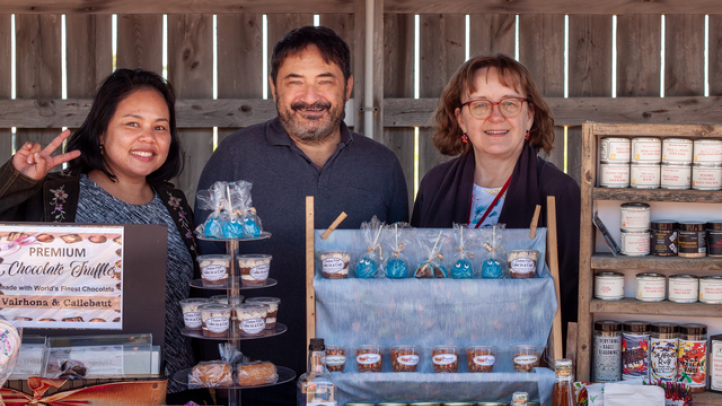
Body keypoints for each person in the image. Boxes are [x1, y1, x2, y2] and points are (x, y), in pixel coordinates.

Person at [195, 25, 409, 405]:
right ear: (274, 88)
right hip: (254, 374)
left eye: (325, 82)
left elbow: (399, 273)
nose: (310, 98)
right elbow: (208, 274)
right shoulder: (234, 157)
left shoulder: (382, 165)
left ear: (347, 87)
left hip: (357, 372)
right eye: (295, 82)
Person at [0, 68, 209, 403]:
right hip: (75, 393)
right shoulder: (56, 197)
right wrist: (17, 183)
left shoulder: (176, 205)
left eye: (160, 127)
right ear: (100, 131)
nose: (148, 137)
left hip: (175, 393)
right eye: (132, 123)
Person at [411, 54, 580, 346]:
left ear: (530, 115)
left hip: (527, 361)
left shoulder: (558, 192)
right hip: (443, 357)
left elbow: (571, 299)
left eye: (510, 103)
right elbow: (416, 283)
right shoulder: (434, 185)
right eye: (479, 105)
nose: (496, 116)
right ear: (460, 119)